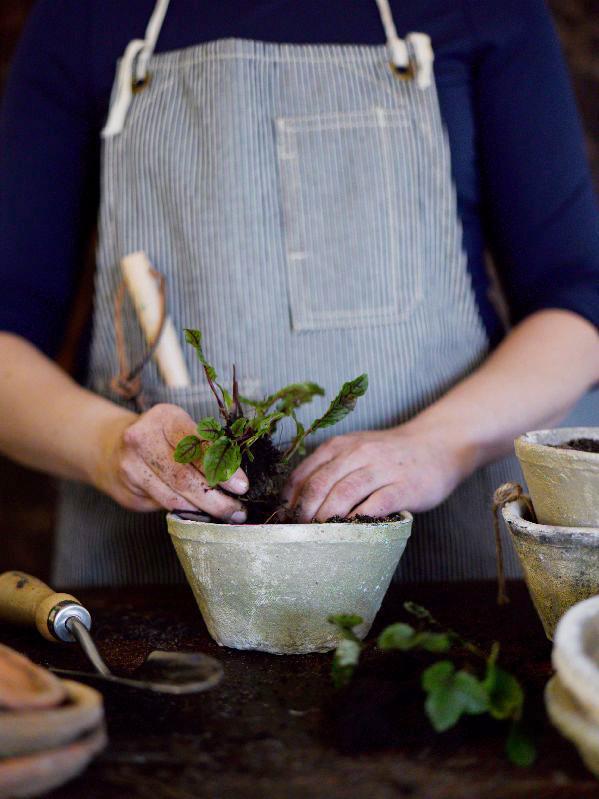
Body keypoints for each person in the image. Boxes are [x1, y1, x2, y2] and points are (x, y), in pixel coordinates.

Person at [0, 0, 597, 586]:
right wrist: (107, 447)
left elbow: (578, 303)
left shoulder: (482, 9)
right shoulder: (84, 15)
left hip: (443, 571)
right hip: (151, 583)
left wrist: (439, 445)